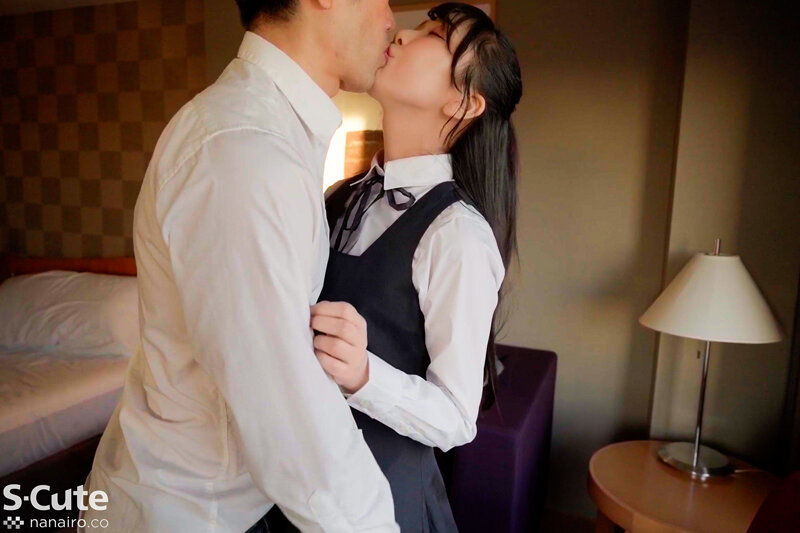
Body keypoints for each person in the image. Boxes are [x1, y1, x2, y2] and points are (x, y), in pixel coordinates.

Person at [80, 1, 401, 531]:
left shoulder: (268, 135)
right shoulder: (243, 152)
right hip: (188, 513)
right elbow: (290, 419)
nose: (391, 18)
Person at [267, 3, 523, 531]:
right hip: (297, 491)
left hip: (383, 505)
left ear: (464, 102)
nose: (403, 34)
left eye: (435, 35)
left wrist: (364, 374)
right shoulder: (338, 198)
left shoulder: (456, 235)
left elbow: (457, 419)